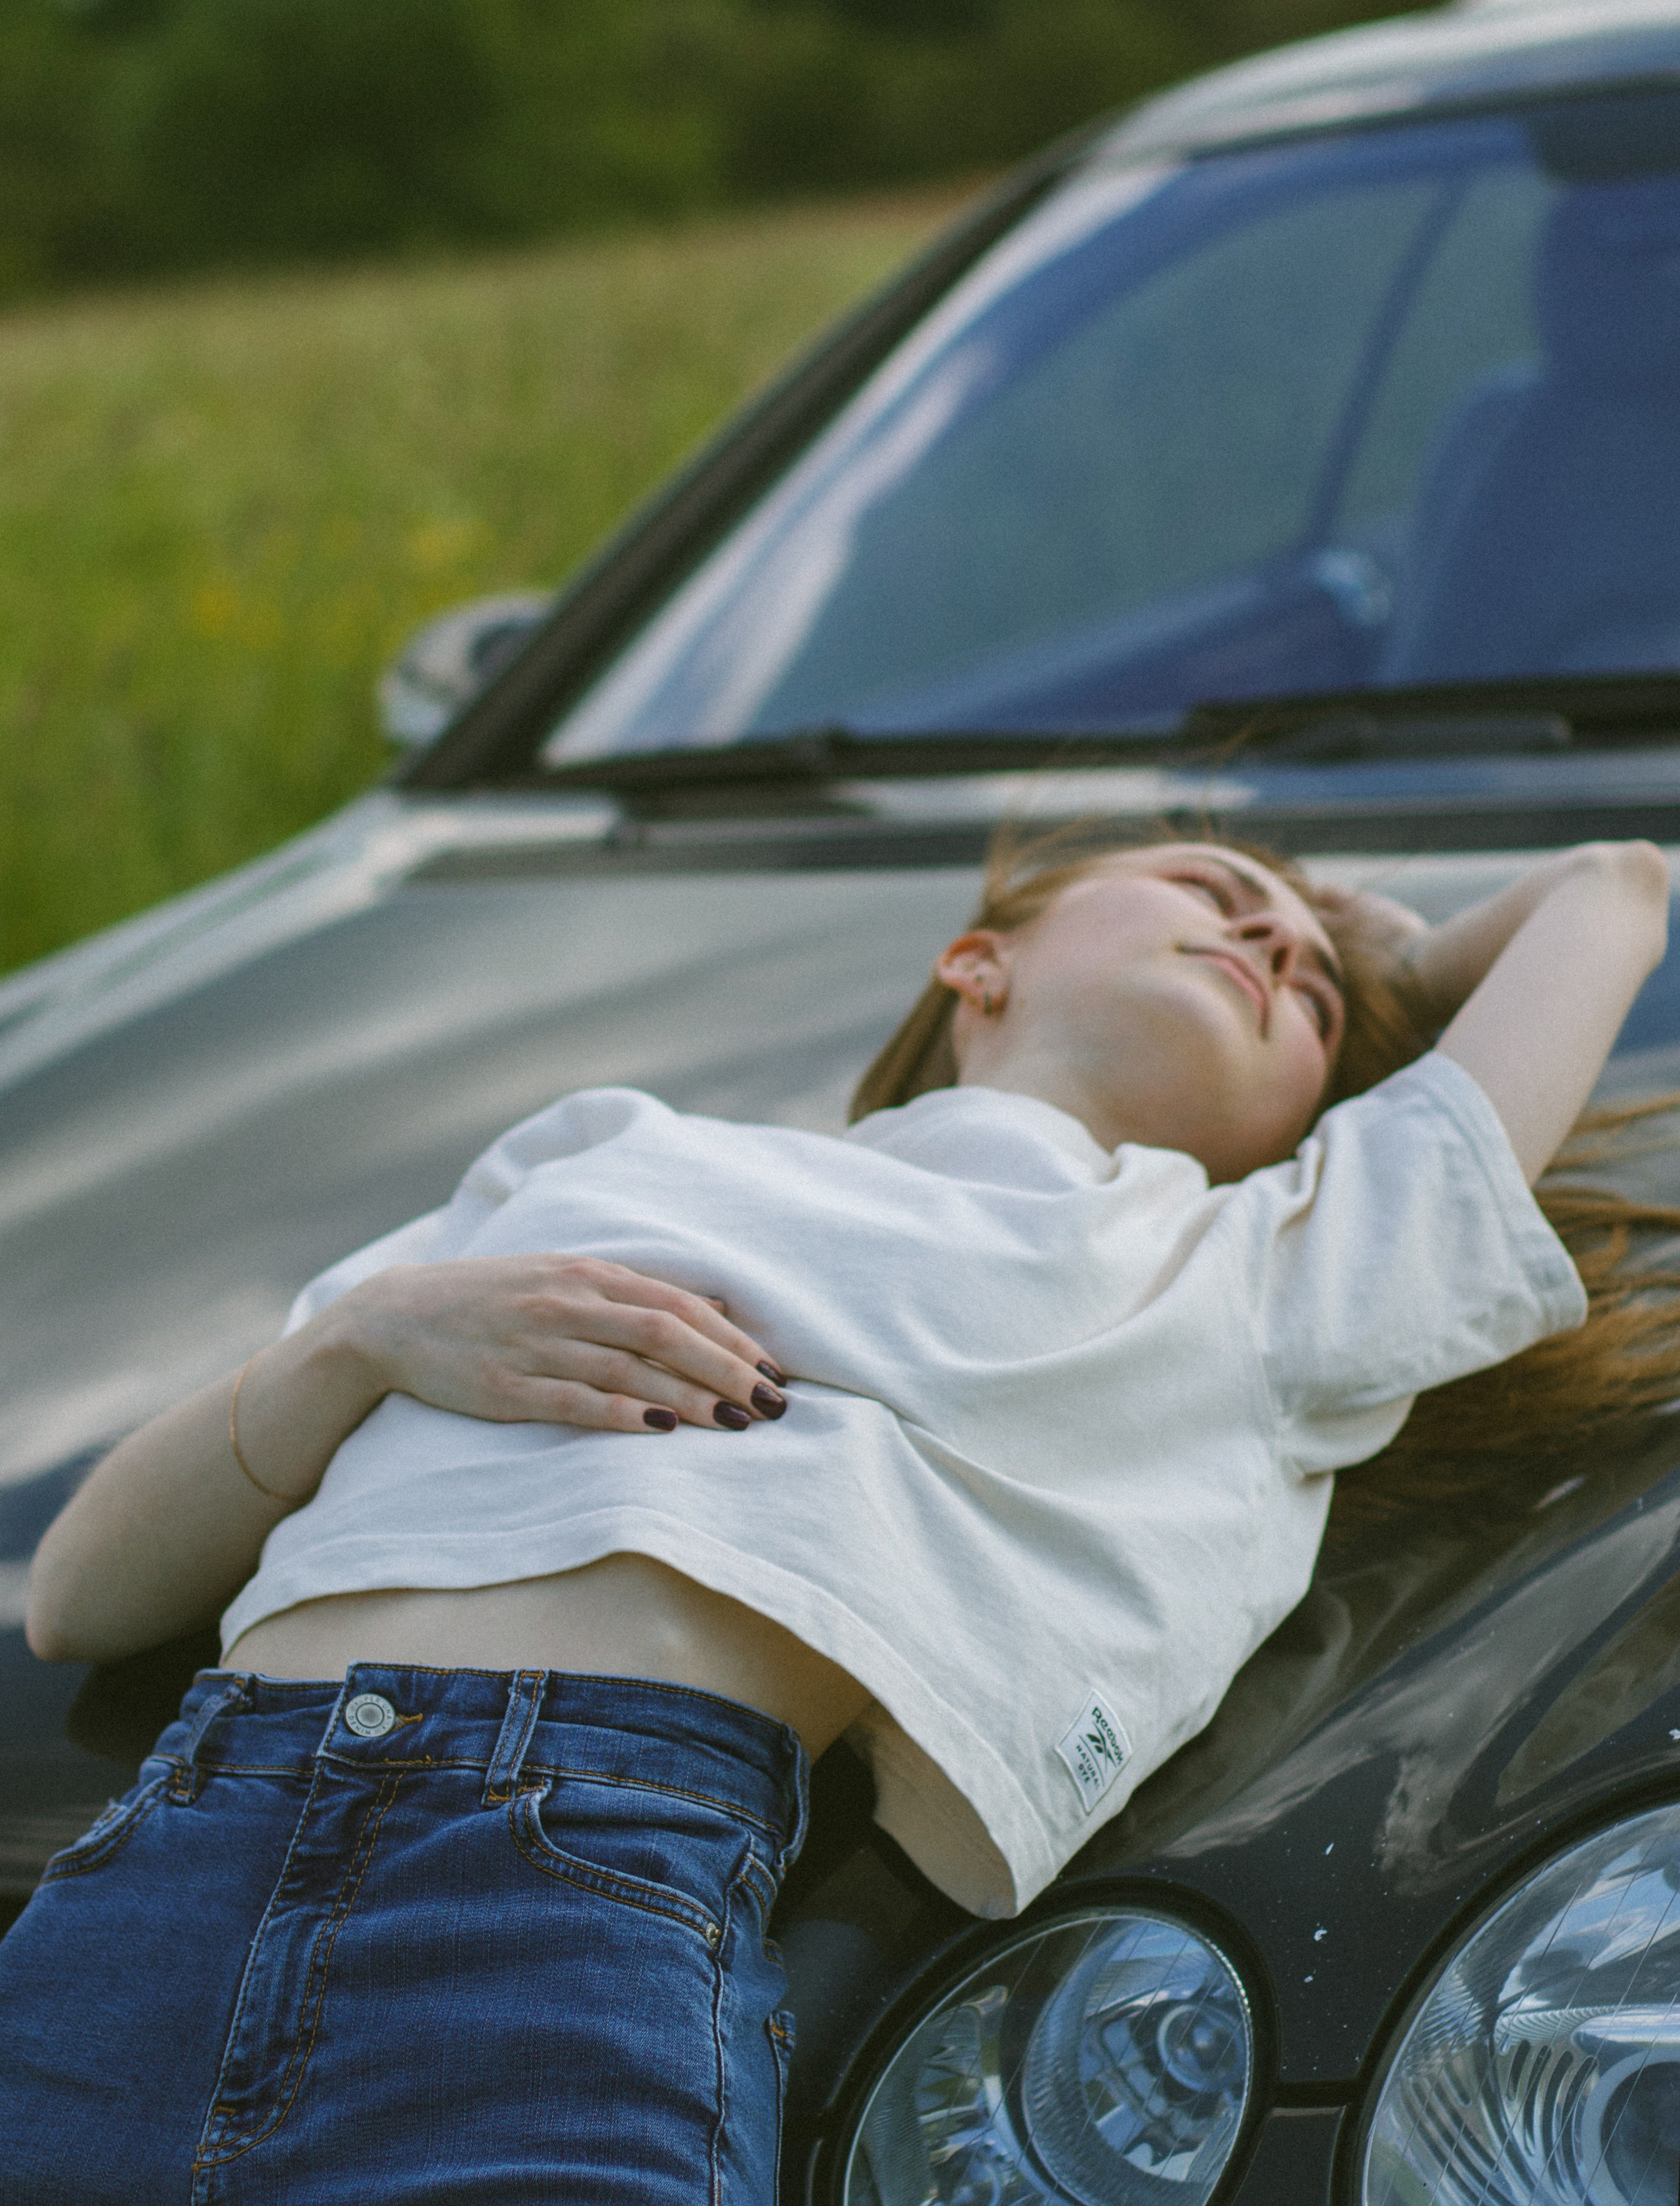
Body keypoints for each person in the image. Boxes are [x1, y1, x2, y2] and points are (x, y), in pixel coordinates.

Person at [2, 833, 1671, 2205]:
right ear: (977, 960)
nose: (1266, 931)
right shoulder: (607, 1148)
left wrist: (1386, 946)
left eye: (1309, 986)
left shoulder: (1260, 1283)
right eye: (1205, 881)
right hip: (173, 1842)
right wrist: (364, 1341)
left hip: (566, 1892)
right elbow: (80, 1590)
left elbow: (1610, 886)